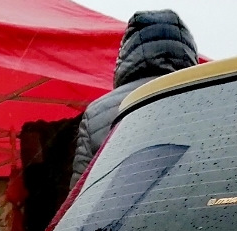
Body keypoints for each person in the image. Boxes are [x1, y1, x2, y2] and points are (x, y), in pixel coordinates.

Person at [69, 9, 200, 180]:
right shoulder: (209, 99)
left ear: (127, 50)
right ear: (188, 47)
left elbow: (81, 190)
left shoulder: (96, 112)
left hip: (123, 204)